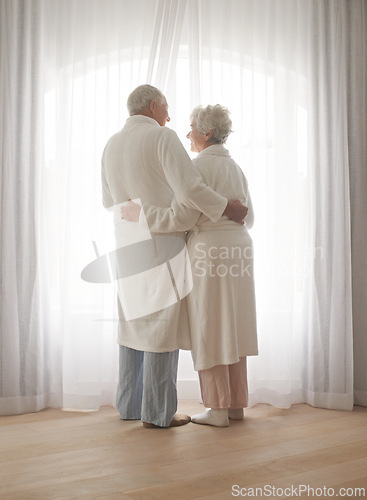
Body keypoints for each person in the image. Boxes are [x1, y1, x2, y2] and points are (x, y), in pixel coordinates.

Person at [101, 85, 248, 428]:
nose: (169, 118)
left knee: (133, 325)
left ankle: (129, 406)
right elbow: (191, 190)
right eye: (167, 110)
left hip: (125, 246)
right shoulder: (162, 138)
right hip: (161, 244)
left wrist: (136, 212)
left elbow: (109, 200)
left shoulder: (110, 144)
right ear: (154, 106)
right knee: (160, 329)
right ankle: (158, 412)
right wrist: (226, 206)